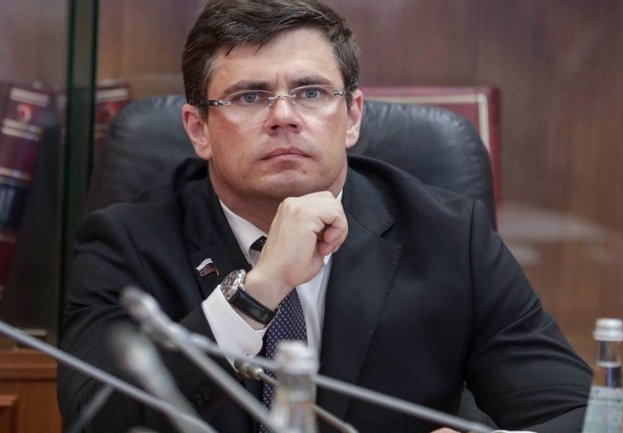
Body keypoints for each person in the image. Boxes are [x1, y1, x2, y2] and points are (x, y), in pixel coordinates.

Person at [57, 0, 592, 432]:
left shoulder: (450, 236)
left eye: (310, 92)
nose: (284, 117)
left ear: (352, 116)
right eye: (249, 97)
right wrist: (257, 292)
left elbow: (581, 415)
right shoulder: (127, 241)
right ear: (199, 130)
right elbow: (94, 420)